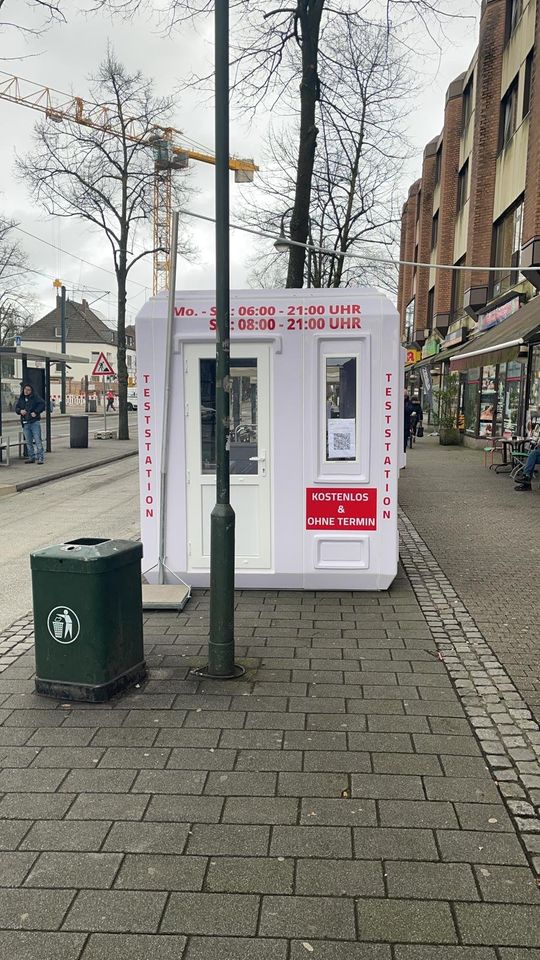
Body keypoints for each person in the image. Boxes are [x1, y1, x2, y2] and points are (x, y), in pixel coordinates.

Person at [15, 383, 46, 465]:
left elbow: (42, 404)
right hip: (25, 422)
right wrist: (20, 411)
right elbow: (16, 407)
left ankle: (40, 457)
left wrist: (36, 412)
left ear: (31, 391)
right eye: (25, 389)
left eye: (28, 390)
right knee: (28, 441)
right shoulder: (21, 398)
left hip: (34, 422)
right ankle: (31, 457)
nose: (26, 391)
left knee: (37, 440)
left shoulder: (35, 397)